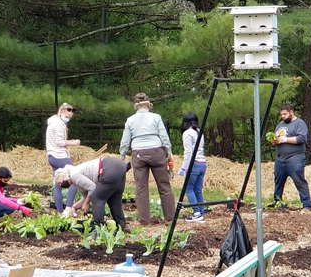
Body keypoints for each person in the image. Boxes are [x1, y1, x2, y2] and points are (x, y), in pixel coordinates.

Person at [119, 92, 175, 225]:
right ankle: (170, 218)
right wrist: (169, 151)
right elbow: (164, 136)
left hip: (138, 153)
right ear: (149, 105)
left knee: (141, 188)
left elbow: (125, 141)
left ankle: (144, 220)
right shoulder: (156, 117)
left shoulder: (130, 120)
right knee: (164, 185)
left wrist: (122, 155)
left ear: (136, 106)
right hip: (156, 151)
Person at [55, 157, 128, 227]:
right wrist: (74, 207)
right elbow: (86, 197)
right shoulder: (75, 178)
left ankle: (98, 227)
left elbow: (92, 188)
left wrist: (86, 203)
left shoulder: (74, 175)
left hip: (109, 167)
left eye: (59, 182)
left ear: (64, 175)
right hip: (118, 166)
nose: (61, 185)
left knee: (97, 197)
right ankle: (120, 225)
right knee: (114, 199)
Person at [271, 103, 311, 211]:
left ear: (291, 112)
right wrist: (274, 140)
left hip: (295, 159)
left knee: (299, 181)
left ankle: (307, 205)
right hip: (280, 159)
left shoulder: (300, 123)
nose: (283, 116)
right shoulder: (280, 124)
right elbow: (275, 137)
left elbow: (301, 139)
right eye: (281, 114)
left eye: (285, 114)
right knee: (278, 182)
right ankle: (277, 202)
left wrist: (285, 139)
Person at [46, 102, 81, 213]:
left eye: (70, 118)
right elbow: (59, 142)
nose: (68, 119)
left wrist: (68, 142)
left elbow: (57, 141)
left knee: (58, 184)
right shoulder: (59, 124)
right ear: (61, 112)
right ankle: (69, 207)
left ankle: (60, 212)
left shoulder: (52, 122)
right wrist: (74, 143)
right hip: (59, 156)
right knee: (76, 177)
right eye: (67, 116)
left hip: (52, 155)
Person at [179, 112, 208, 223]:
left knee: (188, 189)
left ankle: (196, 213)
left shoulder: (187, 133)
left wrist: (184, 167)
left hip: (194, 163)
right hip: (202, 163)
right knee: (198, 190)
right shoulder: (199, 132)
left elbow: (188, 152)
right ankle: (201, 211)